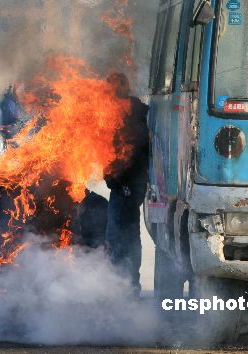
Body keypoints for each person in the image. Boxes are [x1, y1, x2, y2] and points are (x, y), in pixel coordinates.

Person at [104, 72, 149, 297]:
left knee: (121, 236)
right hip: (125, 185)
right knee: (126, 235)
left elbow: (134, 150)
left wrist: (122, 181)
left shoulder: (131, 114)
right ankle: (126, 286)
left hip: (127, 186)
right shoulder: (135, 110)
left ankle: (125, 287)